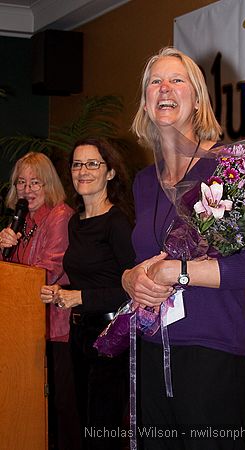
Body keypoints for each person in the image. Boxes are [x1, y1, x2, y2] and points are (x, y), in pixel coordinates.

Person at [121, 47, 245, 450]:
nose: (164, 88)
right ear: (145, 101)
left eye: (177, 80)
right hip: (151, 352)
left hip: (212, 355)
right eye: (155, 81)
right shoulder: (142, 181)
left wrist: (180, 271)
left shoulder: (231, 168)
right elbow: (142, 260)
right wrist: (129, 279)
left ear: (198, 100)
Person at [40, 137, 136, 450]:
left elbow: (132, 289)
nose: (83, 170)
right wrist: (61, 291)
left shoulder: (118, 223)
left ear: (110, 173)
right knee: (85, 426)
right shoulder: (75, 222)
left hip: (110, 335)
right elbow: (87, 278)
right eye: (77, 164)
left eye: (93, 163)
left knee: (103, 431)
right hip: (79, 332)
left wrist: (79, 297)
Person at [0, 151, 79, 450]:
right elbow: (10, 274)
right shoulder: (23, 220)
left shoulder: (60, 216)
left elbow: (49, 270)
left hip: (54, 327)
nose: (27, 189)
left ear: (49, 185)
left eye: (35, 182)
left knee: (60, 408)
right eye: (21, 182)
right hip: (24, 326)